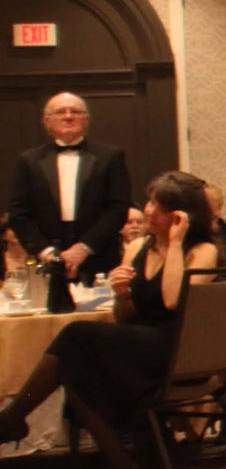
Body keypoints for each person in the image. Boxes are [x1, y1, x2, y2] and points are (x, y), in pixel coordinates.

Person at [0, 171, 221, 469]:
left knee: (75, 335)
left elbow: (174, 301)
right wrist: (122, 295)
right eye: (149, 202)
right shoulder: (135, 249)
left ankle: (13, 418)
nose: (148, 211)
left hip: (175, 351)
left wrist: (173, 244)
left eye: (158, 206)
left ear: (179, 215)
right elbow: (125, 318)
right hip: (137, 345)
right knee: (74, 367)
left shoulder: (201, 251)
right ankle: (120, 465)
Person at [9, 92, 133, 309]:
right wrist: (49, 254)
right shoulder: (28, 160)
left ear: (86, 119)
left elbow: (118, 208)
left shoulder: (111, 157)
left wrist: (83, 248)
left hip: (98, 260)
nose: (68, 116)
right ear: (47, 121)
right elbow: (19, 213)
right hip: (46, 264)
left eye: (75, 111)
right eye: (60, 112)